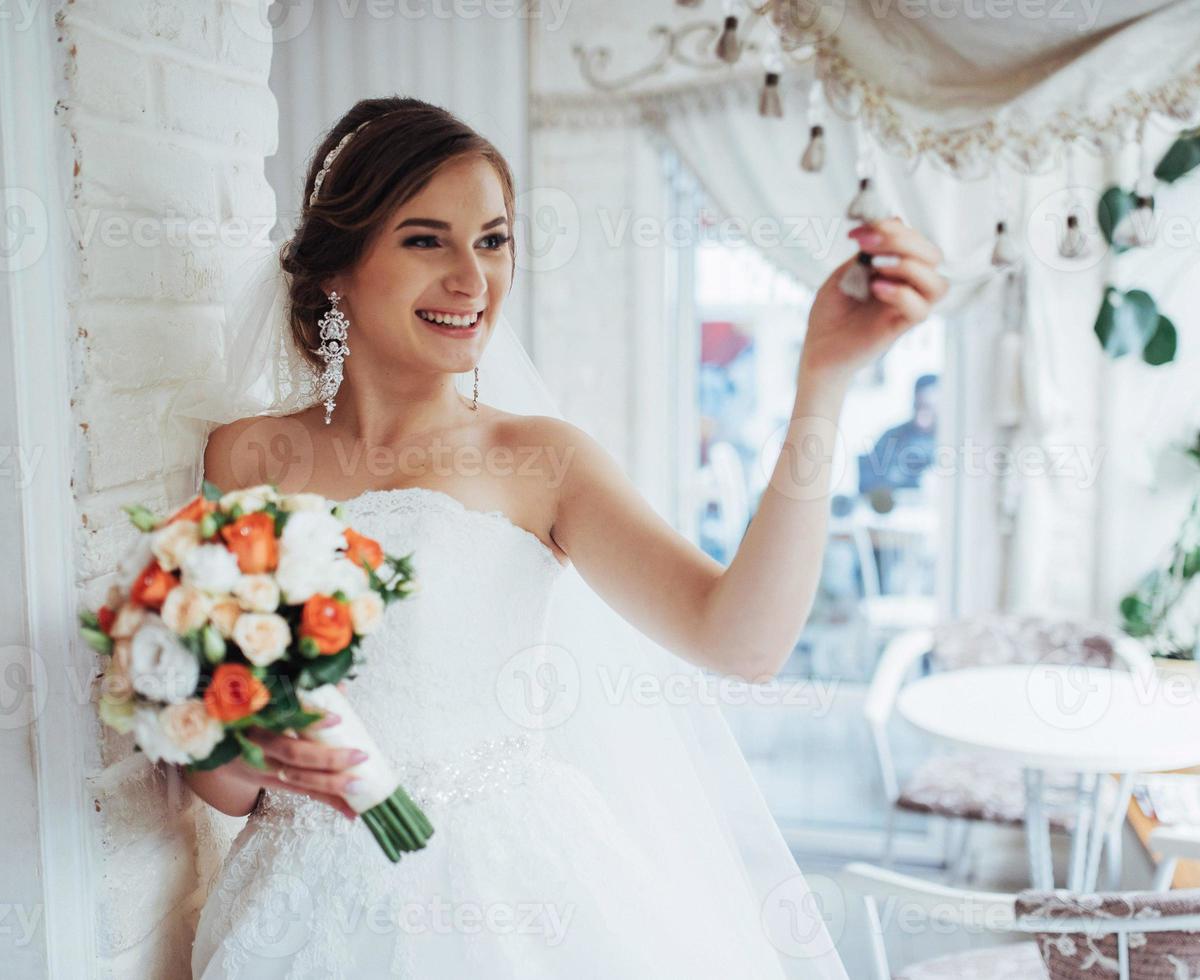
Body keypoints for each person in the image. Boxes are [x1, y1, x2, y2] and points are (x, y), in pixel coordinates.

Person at [182, 96, 947, 978]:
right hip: (298, 912)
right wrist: (244, 734)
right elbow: (226, 790)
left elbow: (744, 641)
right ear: (335, 272)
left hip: (507, 908)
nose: (474, 279)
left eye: (494, 240)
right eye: (427, 239)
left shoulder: (541, 459)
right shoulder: (242, 460)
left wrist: (824, 381)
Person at [859, 373, 938, 494]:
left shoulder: (949, 439)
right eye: (922, 405)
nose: (926, 412)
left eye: (931, 406)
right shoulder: (893, 437)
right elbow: (868, 481)